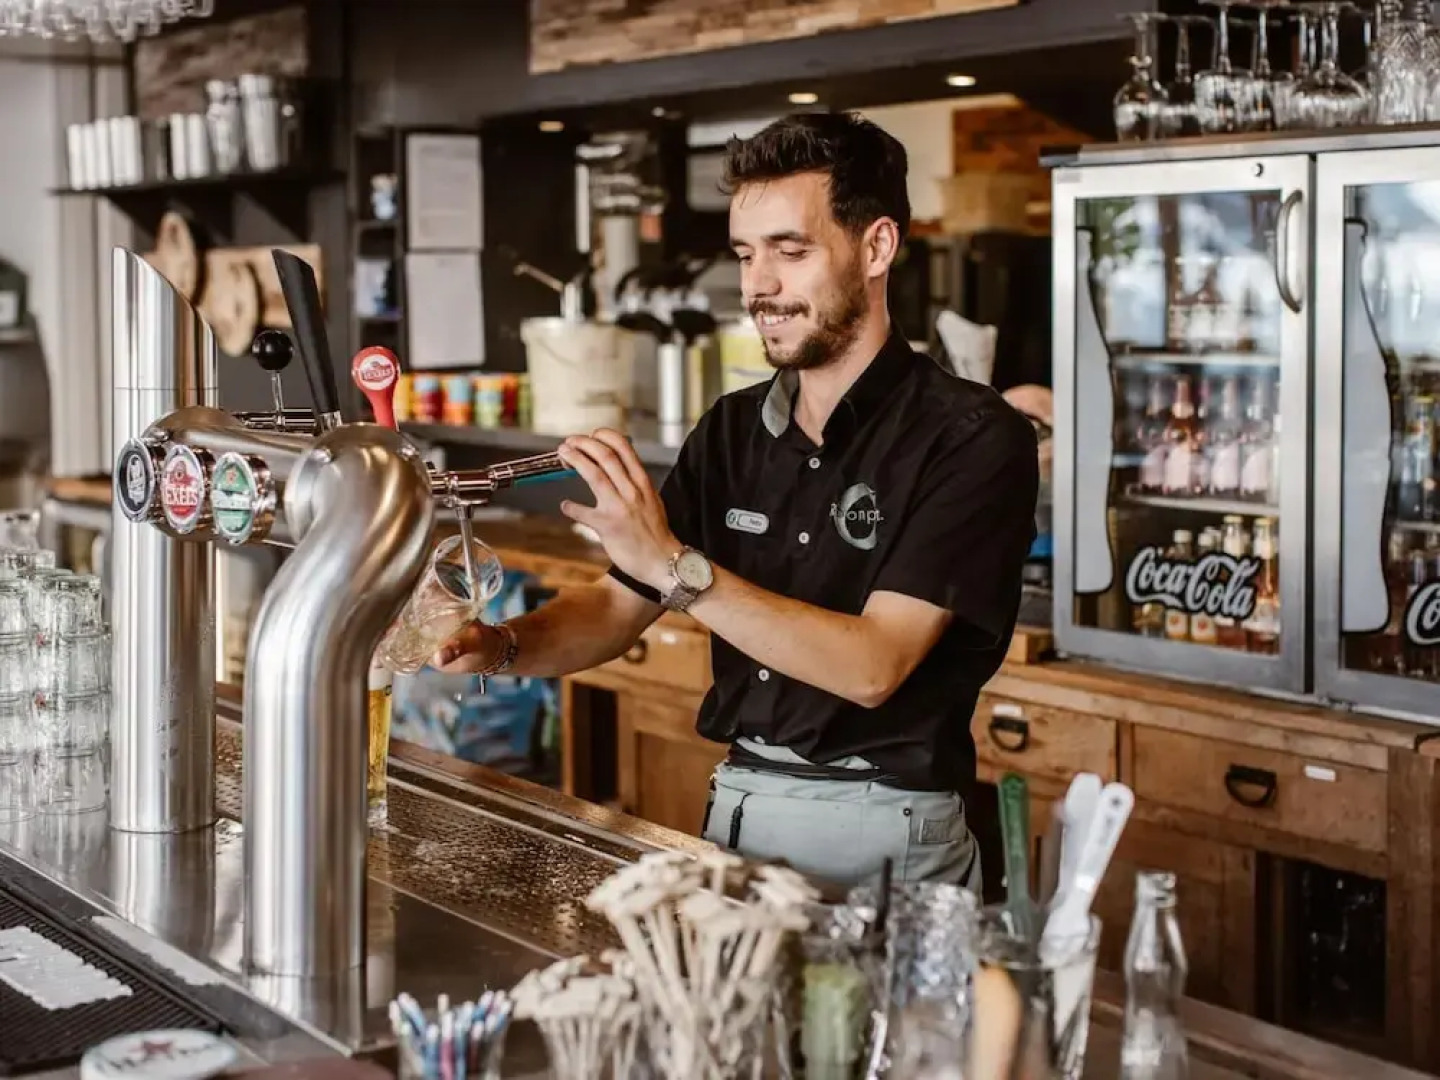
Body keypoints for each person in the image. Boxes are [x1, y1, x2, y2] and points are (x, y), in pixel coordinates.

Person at [433, 111, 1038, 890]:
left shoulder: (971, 435)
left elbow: (872, 667)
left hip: (891, 831)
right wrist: (503, 647)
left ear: (877, 246)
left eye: (791, 251)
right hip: (736, 809)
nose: (759, 286)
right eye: (748, 255)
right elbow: (620, 605)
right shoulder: (731, 430)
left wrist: (678, 567)